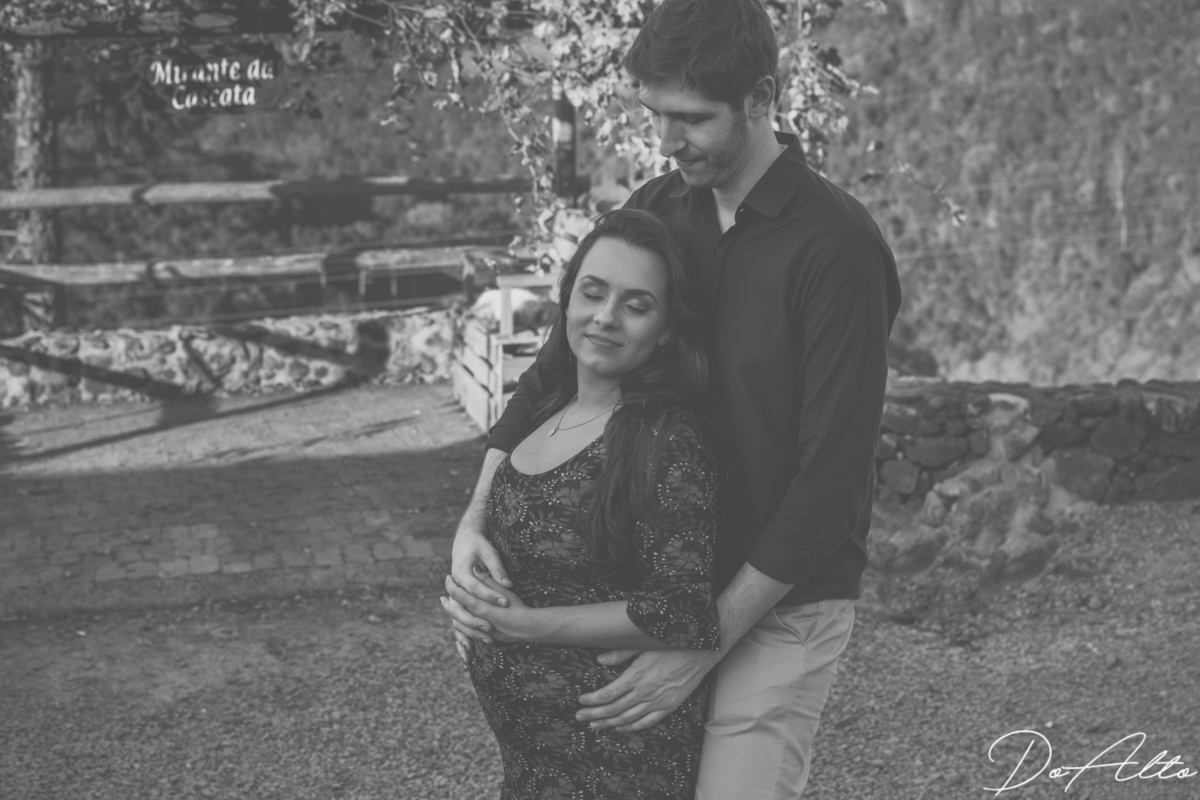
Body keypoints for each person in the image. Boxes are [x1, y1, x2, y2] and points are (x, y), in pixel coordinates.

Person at [444, 0, 902, 796]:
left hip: (779, 602)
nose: (665, 140)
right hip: (654, 594)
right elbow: (555, 371)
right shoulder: (656, 209)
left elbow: (832, 482)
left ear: (760, 98)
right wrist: (473, 520)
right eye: (655, 114)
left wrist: (703, 639)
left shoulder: (839, 249)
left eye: (691, 119)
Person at [442, 208, 722, 799]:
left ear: (666, 328)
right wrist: (472, 600)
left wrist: (525, 627)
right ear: (567, 298)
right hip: (532, 765)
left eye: (636, 306)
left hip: (616, 765)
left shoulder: (665, 438)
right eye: (593, 293)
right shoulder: (548, 409)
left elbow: (683, 611)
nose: (606, 317)